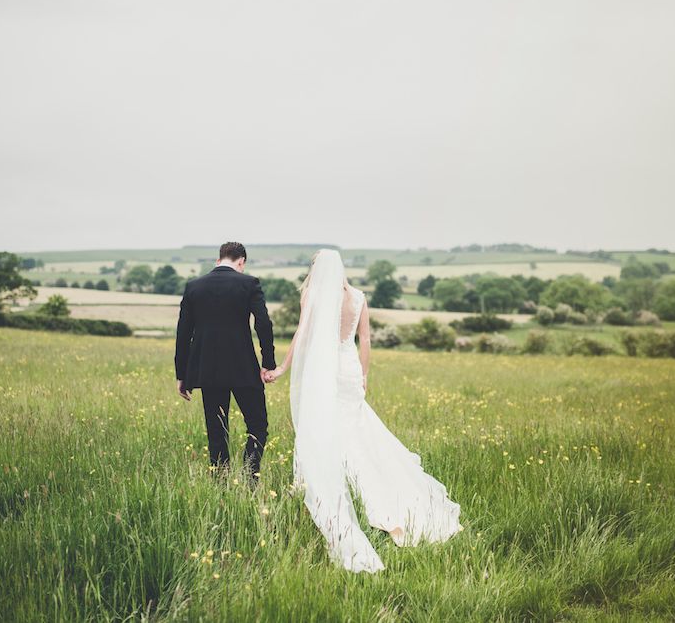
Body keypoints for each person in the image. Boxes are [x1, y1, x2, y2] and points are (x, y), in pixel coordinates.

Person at [266, 249, 462, 572]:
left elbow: (302, 334)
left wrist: (283, 368)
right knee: (356, 427)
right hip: (349, 368)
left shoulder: (313, 295)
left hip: (325, 371)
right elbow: (365, 339)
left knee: (325, 429)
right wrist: (364, 374)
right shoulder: (358, 297)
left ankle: (332, 485)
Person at [174, 241, 276, 484]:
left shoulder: (193, 287)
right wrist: (268, 363)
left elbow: (183, 333)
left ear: (218, 260)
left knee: (216, 428)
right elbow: (263, 324)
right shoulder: (249, 283)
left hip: (207, 370)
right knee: (257, 424)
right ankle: (250, 477)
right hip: (243, 368)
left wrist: (182, 374)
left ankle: (219, 483)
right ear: (241, 262)